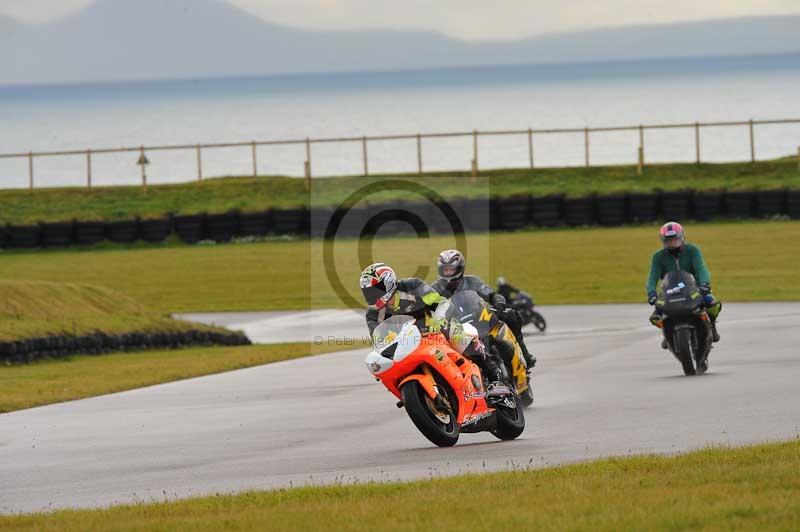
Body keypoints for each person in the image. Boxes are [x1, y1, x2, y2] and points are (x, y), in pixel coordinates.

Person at [360, 262, 507, 391]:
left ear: (388, 283)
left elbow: (440, 302)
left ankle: (494, 377)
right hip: (408, 345)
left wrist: (439, 318)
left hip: (435, 331)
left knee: (457, 336)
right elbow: (379, 341)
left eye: (375, 290)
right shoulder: (373, 314)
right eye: (368, 292)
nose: (372, 295)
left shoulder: (412, 286)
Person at [431, 250, 537, 369]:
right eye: (445, 270)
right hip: (455, 329)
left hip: (479, 317)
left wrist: (498, 302)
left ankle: (524, 353)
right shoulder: (434, 290)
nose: (448, 273)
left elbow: (491, 294)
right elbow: (427, 310)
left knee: (511, 315)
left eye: (451, 269)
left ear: (460, 269)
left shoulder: (473, 281)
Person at [646, 222, 722, 345]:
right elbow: (652, 277)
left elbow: (701, 268)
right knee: (655, 318)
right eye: (669, 240)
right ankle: (667, 332)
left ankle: (711, 325)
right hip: (669, 292)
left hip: (694, 289)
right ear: (663, 241)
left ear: (682, 237)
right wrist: (651, 293)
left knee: (714, 305)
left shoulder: (693, 250)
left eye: (675, 239)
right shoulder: (658, 257)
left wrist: (705, 283)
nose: (672, 243)